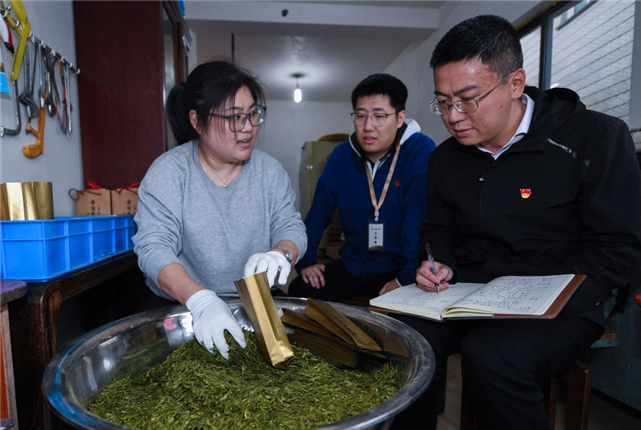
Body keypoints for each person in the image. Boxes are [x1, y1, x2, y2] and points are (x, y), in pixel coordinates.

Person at [383, 14, 641, 430]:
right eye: (443, 103)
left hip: (566, 301)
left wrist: (552, 297)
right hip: (469, 294)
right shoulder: (446, 158)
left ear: (515, 83)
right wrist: (435, 261)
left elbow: (620, 248)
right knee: (401, 337)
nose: (453, 117)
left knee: (494, 355)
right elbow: (435, 229)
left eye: (467, 100)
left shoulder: (595, 137)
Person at [133, 61, 307, 360]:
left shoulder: (269, 171)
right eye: (235, 118)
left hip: (256, 304)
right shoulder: (169, 172)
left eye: (253, 114)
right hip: (183, 306)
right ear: (197, 121)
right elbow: (154, 248)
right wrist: (201, 300)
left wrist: (281, 253)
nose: (249, 127)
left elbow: (290, 227)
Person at [288, 73, 436, 302]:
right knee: (300, 291)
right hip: (354, 265)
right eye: (360, 116)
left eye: (379, 116)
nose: (368, 127)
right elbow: (319, 212)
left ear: (399, 118)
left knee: (408, 309)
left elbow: (416, 221)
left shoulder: (419, 150)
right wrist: (307, 261)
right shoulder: (341, 156)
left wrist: (405, 279)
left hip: (398, 268)